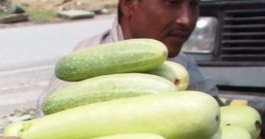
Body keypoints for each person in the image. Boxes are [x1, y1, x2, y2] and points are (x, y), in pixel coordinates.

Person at [38, 0, 220, 111]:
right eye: (172, 2)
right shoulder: (85, 63)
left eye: (194, 5)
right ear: (129, 3)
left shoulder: (184, 64)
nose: (186, 20)